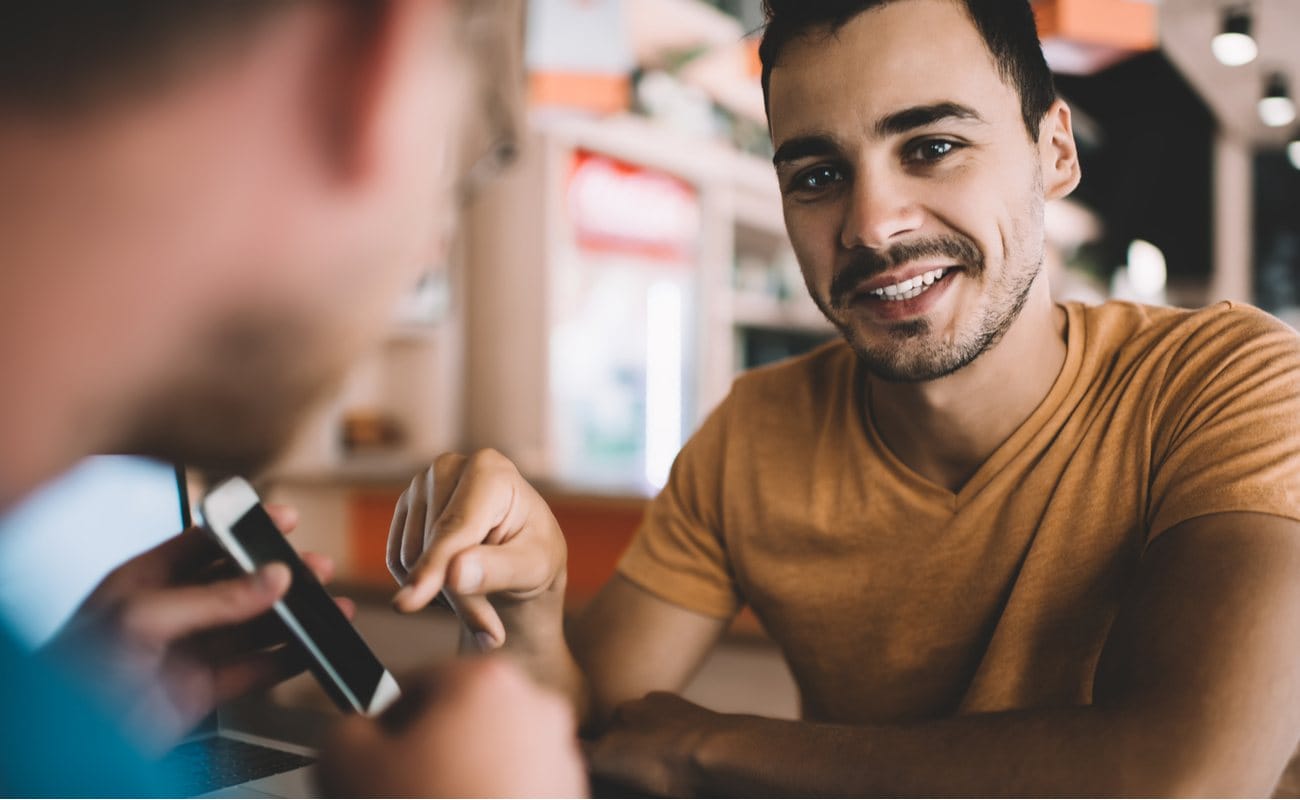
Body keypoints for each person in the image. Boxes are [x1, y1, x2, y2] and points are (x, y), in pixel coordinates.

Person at [388, 0, 1300, 795]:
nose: (872, 224)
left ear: (1052, 152)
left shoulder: (1229, 383)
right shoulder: (756, 433)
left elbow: (1191, 776)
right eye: (818, 174)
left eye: (934, 147)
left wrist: (716, 747)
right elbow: (583, 738)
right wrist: (529, 605)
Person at [0, 0, 583, 796]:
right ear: (371, 55)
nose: (422, 250)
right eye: (447, 179)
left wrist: (65, 722)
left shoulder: (47, 724)